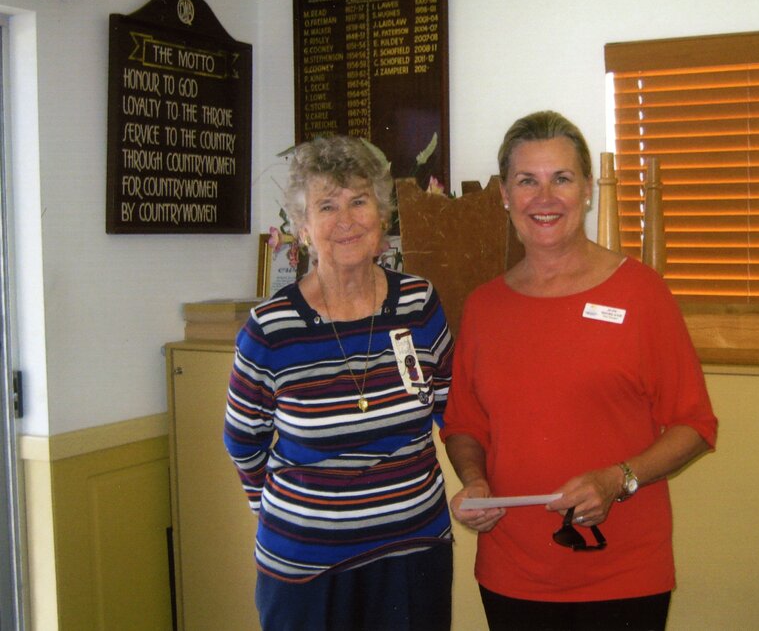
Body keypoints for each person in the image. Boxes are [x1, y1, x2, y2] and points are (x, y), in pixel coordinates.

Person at [441, 111, 718, 630]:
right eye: (527, 180)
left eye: (562, 179)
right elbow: (463, 426)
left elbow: (695, 426)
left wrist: (619, 479)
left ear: (587, 189)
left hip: (623, 575)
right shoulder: (483, 307)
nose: (544, 198)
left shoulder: (641, 293)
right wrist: (475, 481)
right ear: (504, 194)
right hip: (512, 574)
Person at [224, 135, 454, 631]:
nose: (346, 220)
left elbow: (450, 408)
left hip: (413, 552)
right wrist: (290, 512)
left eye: (359, 201)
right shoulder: (270, 329)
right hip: (308, 568)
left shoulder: (419, 303)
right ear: (303, 228)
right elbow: (243, 441)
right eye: (327, 206)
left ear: (382, 215)